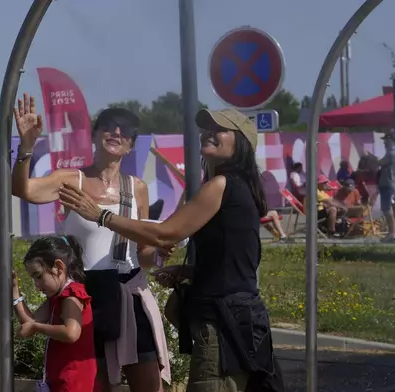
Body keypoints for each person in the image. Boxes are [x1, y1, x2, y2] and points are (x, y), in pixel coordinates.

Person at [60, 108, 284, 392]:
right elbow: (237, 259)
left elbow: (165, 232)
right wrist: (189, 270)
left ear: (240, 143)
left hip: (222, 322)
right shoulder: (241, 188)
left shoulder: (221, 184)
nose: (209, 133)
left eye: (220, 129)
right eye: (207, 128)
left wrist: (101, 216)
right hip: (240, 319)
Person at [11, 93, 171, 392]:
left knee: (148, 383)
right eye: (109, 127)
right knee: (93, 385)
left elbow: (143, 252)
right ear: (95, 135)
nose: (116, 133)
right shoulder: (72, 180)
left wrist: (160, 255)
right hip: (85, 296)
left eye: (124, 131)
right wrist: (27, 147)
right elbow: (22, 189)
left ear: (131, 144)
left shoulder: (137, 188)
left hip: (129, 292)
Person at [12, 235, 96, 392]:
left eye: (38, 276)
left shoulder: (71, 294)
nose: (36, 285)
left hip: (74, 381)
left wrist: (36, 328)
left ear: (58, 267)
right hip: (60, 378)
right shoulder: (56, 297)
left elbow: (71, 332)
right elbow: (29, 321)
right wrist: (14, 291)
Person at [371, 132, 395, 242]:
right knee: (386, 209)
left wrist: (371, 157)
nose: (384, 142)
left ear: (391, 140)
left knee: (387, 209)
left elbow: (381, 162)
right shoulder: (391, 153)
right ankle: (392, 233)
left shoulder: (392, 153)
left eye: (386, 140)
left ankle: (392, 233)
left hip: (388, 184)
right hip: (386, 184)